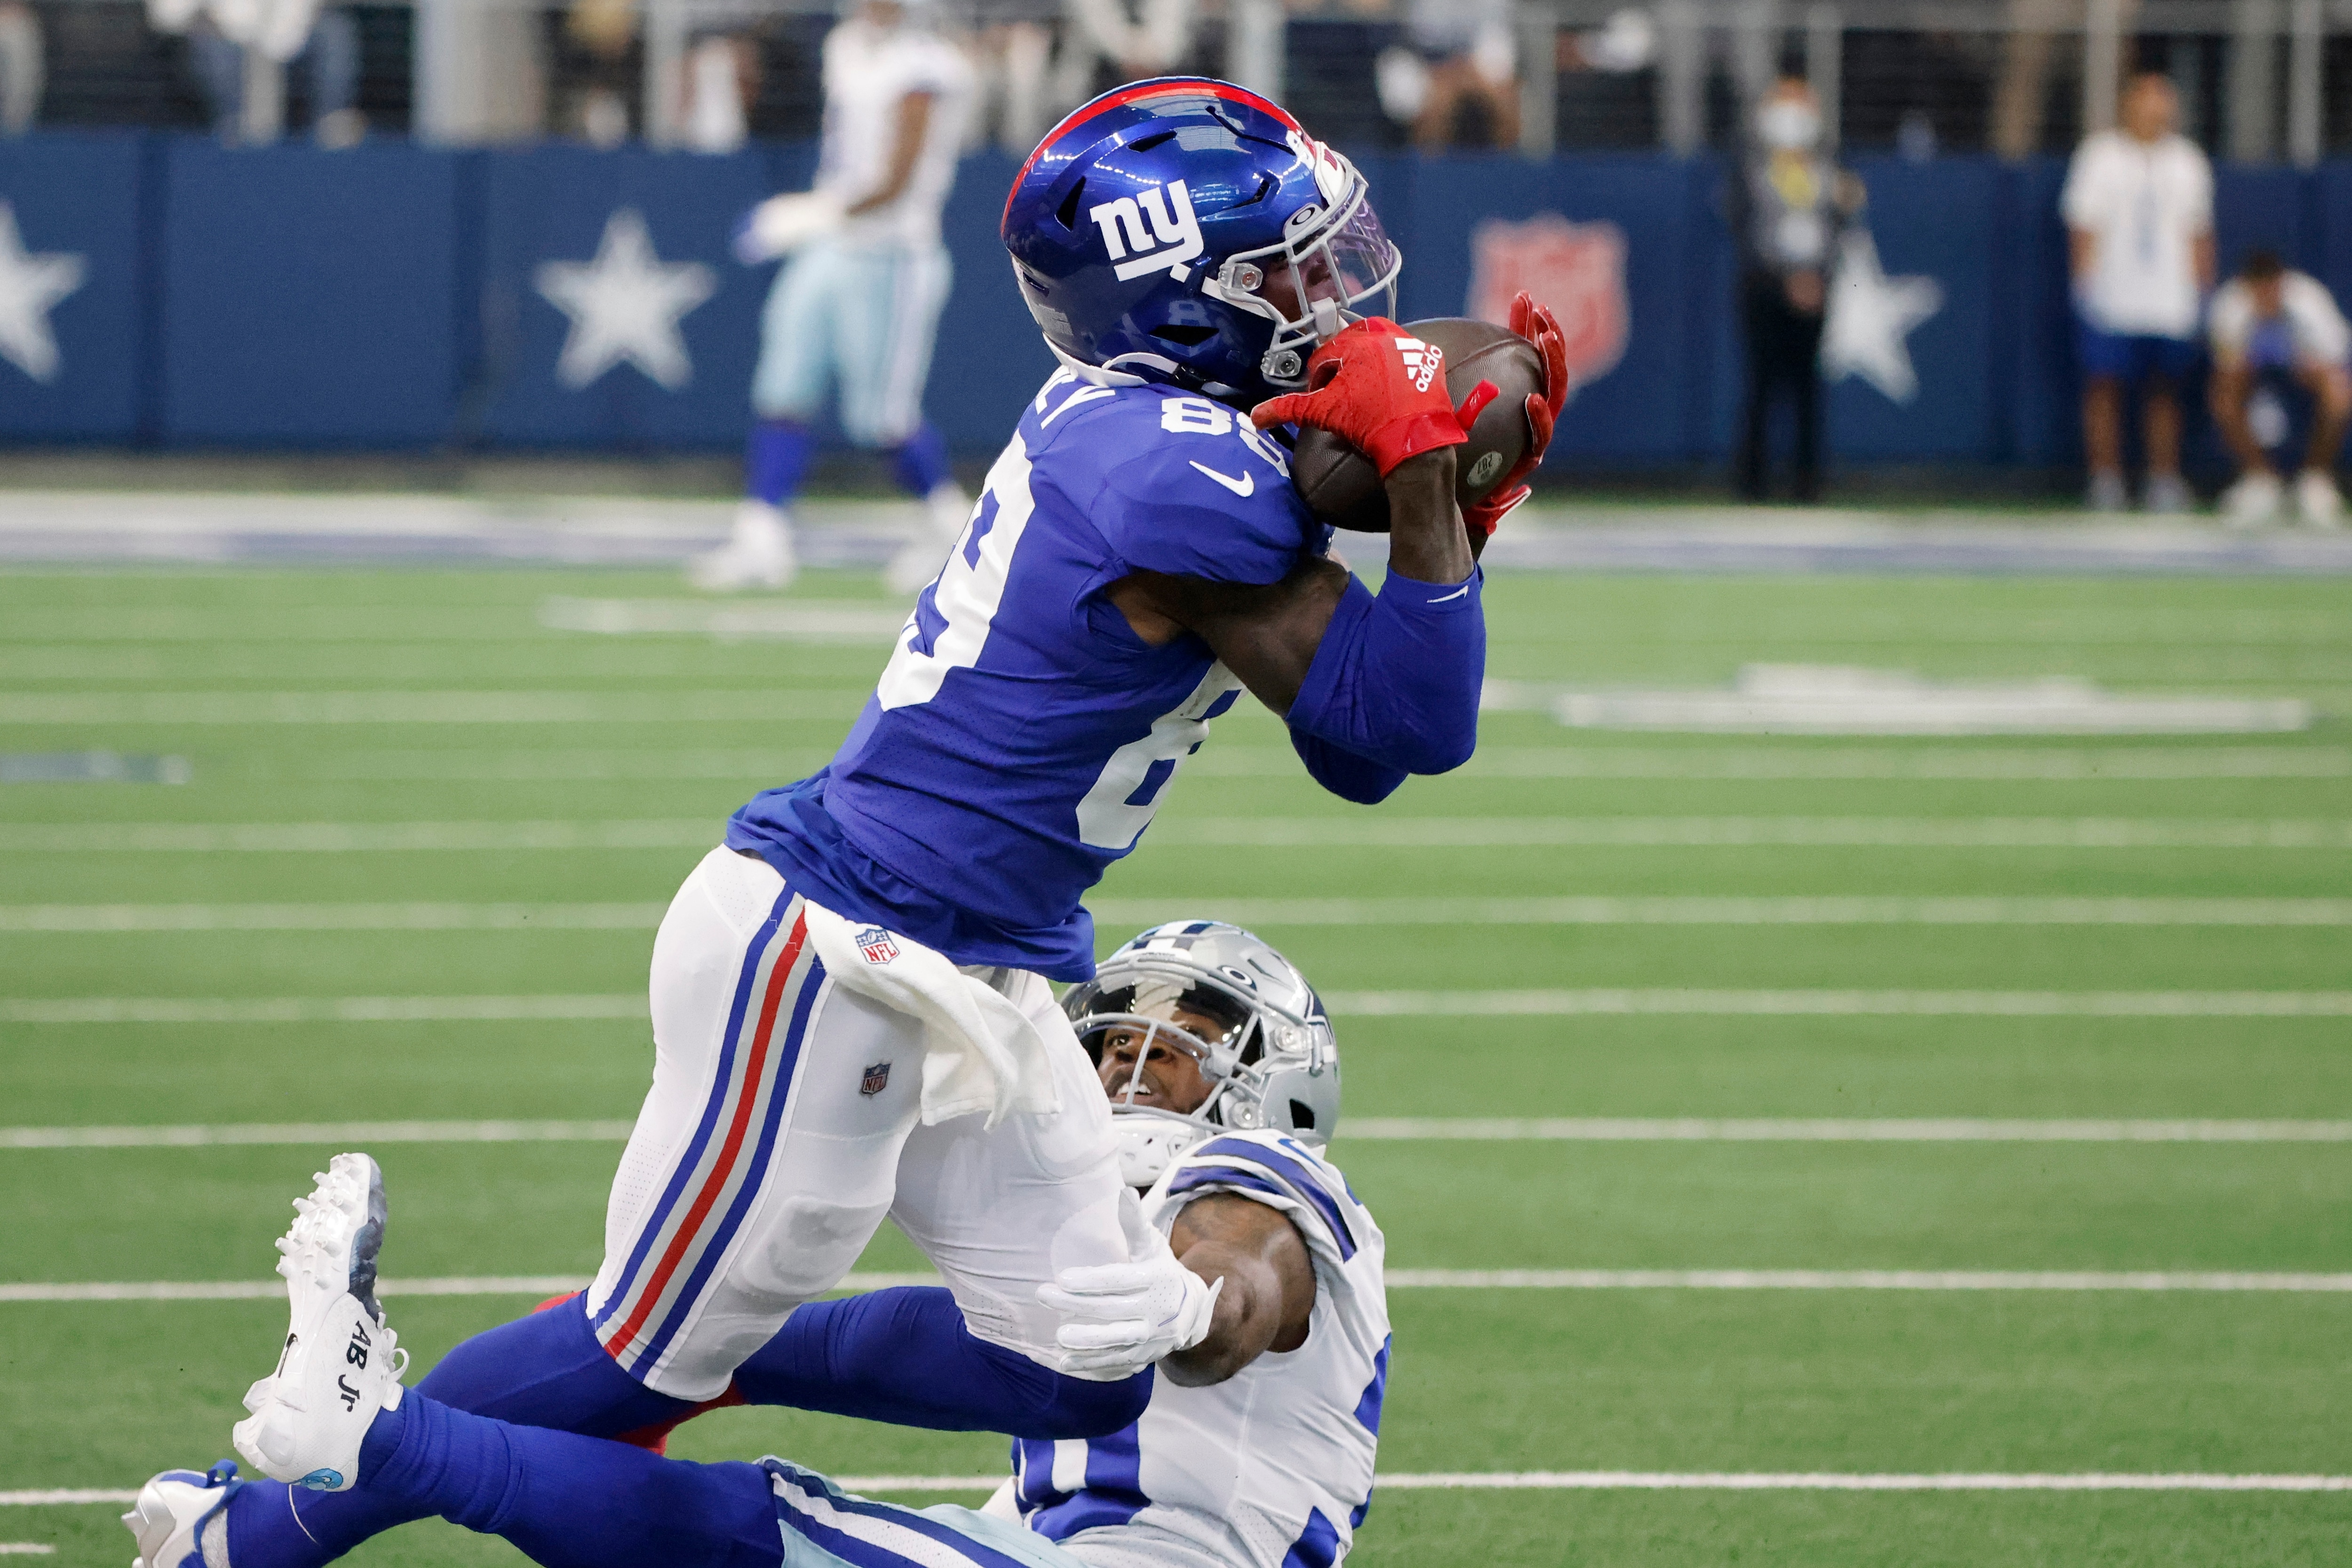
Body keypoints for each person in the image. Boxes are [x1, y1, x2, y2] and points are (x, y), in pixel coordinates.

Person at [134, 76, 1561, 1566]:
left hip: (982, 961)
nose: (1337, 299)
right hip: (836, 941)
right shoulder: (1175, 473)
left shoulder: (1166, 438)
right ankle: (312, 1483)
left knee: (1081, 1356)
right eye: (1294, 269)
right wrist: (1418, 484)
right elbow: (1401, 724)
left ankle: (295, 1501)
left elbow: (1370, 747)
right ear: (1181, 297)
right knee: (640, 1355)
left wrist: (1426, 494)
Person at [125, 924, 1390, 1568]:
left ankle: (378, 1431)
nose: (1126, 1055)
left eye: (1172, 1040)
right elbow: (857, 1341)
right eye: (1115, 1035)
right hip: (1036, 1544)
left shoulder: (1269, 1180)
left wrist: (1190, 1299)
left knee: (766, 1518)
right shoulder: (1080, 1202)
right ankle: (256, 1532)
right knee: (689, 1335)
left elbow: (1246, 1277)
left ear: (1269, 1077)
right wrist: (693, 1345)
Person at [698, 0, 979, 596]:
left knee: (880, 417)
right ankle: (763, 535)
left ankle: (951, 531)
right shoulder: (846, 44)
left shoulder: (926, 63)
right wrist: (824, 216)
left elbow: (898, 180)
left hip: (893, 255)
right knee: (783, 382)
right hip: (836, 245)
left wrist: (812, 214)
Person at [2061, 71, 2214, 514]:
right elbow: (2083, 223)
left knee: (2165, 390)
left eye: (2163, 100)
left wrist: (2201, 288)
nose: (2156, 110)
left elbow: (2200, 231)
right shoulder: (2101, 156)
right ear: (2129, 105)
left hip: (2170, 298)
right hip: (2113, 293)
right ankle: (2105, 479)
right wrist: (2084, 284)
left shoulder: (2187, 160)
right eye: (2147, 99)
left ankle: (2163, 479)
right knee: (2104, 387)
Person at [1727, 75, 1856, 504]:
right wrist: (1785, 278)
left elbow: (1835, 230)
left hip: (1816, 286)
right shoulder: (1752, 165)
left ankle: (1808, 483)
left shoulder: (1827, 167)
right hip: (1766, 286)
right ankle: (1753, 483)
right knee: (1762, 385)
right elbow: (1746, 230)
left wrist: (1817, 276)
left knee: (1807, 387)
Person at [2208, 248, 2350, 528]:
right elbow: (2227, 365)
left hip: (2302, 377)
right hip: (2256, 380)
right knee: (2224, 394)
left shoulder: (2310, 301)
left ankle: (2315, 479)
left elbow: (2335, 360)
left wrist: (2307, 363)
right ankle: (2260, 479)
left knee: (2338, 392)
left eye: (2271, 289)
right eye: (2258, 291)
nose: (2266, 298)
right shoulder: (2231, 305)